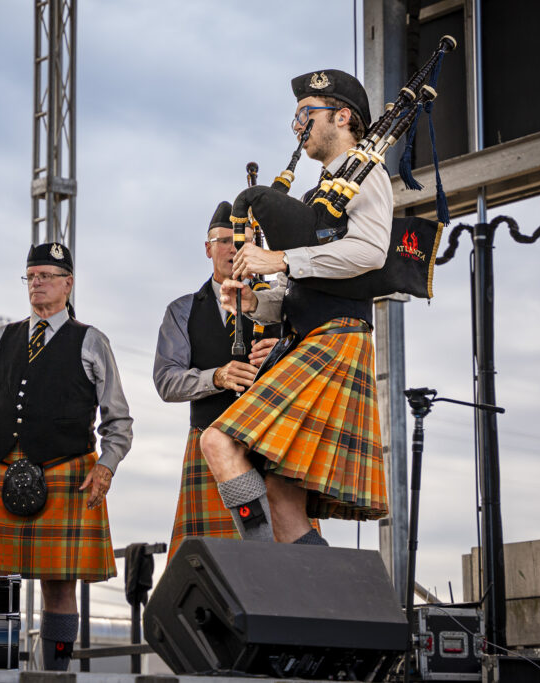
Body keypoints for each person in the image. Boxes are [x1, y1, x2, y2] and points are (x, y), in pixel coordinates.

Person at [200, 69, 391, 546]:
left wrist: (281, 256)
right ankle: (317, 606)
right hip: (308, 338)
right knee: (284, 497)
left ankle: (263, 564)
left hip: (335, 341)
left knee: (217, 439)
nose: (299, 126)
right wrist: (255, 302)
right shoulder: (317, 196)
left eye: (307, 114)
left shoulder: (367, 173)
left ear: (343, 116)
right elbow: (296, 289)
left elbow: (370, 252)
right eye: (295, 118)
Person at [0, 242, 132, 671]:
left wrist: (106, 466)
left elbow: (119, 420)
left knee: (59, 586)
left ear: (68, 284)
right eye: (31, 276)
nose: (36, 283)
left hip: (66, 474)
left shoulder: (91, 341)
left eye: (46, 276)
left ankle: (54, 675)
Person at [154, 201, 280, 558]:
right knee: (210, 564)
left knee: (282, 564)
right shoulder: (182, 311)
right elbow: (166, 380)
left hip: (273, 445)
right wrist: (218, 377)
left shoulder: (282, 302)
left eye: (242, 241)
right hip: (209, 444)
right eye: (223, 240)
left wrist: (281, 355)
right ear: (207, 248)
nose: (233, 248)